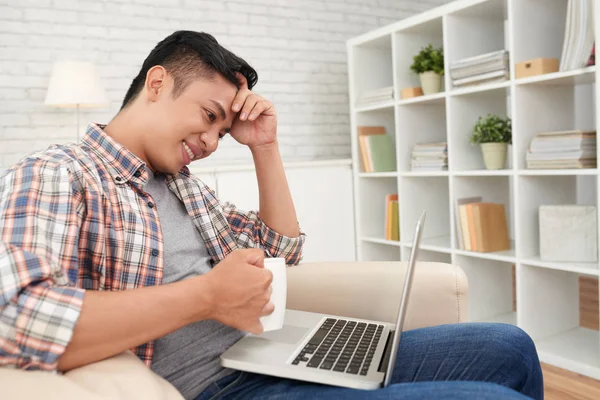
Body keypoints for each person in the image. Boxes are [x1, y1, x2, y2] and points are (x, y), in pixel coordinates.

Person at [0, 30, 542, 400]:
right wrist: (205, 297)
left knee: (508, 346)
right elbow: (17, 319)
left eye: (222, 130)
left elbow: (284, 250)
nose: (213, 141)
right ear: (158, 84)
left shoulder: (184, 186)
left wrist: (264, 146)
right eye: (210, 117)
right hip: (224, 388)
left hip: (266, 355)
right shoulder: (60, 173)